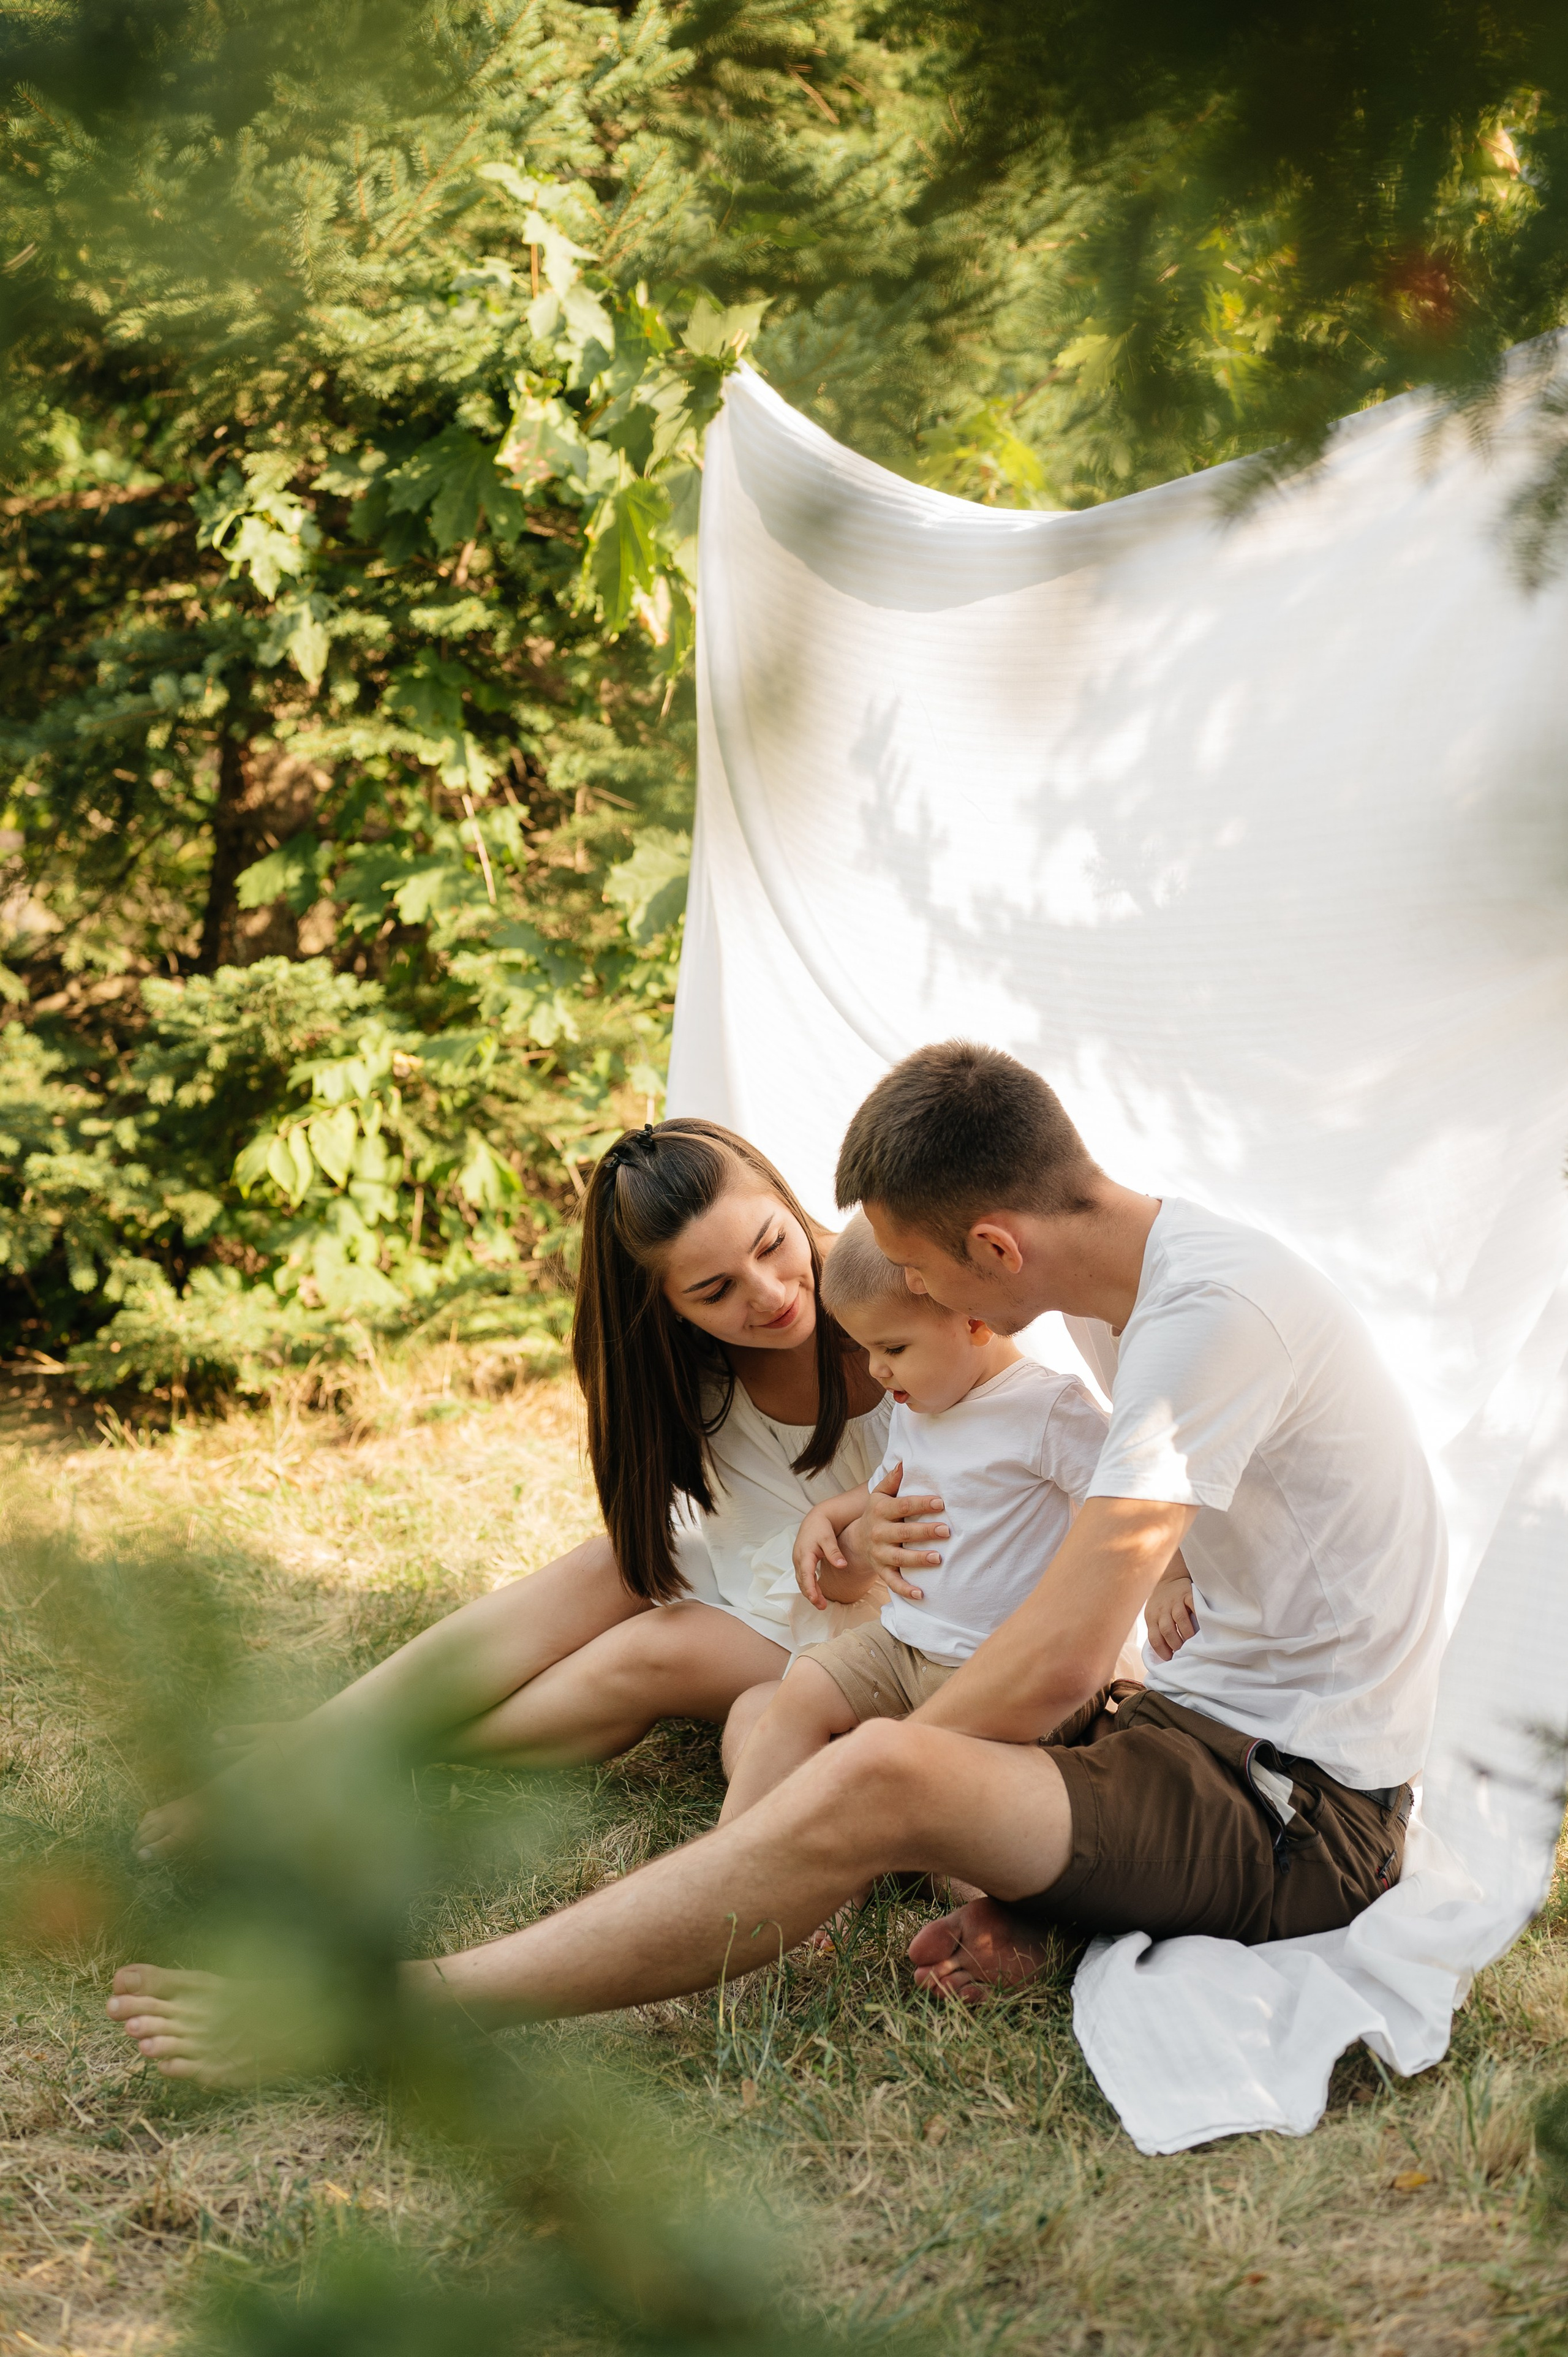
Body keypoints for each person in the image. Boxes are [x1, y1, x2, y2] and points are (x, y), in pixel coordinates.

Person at [108, 1044, 1449, 2078]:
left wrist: (863, 1788)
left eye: (916, 1279)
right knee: (829, 1737)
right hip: (1197, 1737)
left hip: (1297, 1808)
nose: (896, 1309)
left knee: (867, 1769)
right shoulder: (1136, 1295)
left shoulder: (1199, 1320)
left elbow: (1053, 1660)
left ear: (993, 1248)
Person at [129, 1117, 908, 1861]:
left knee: (660, 1645)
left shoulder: (895, 1285)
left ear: (783, 1197)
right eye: (713, 1290)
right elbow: (762, 1553)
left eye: (772, 1244)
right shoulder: (690, 1372)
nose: (768, 1293)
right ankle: (329, 1742)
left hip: (906, 1618)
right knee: (610, 1565)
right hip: (797, 1574)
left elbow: (890, 1551)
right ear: (666, 1306)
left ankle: (355, 1751)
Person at [720, 1213, 1193, 1823]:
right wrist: (830, 1512)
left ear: (973, 1320)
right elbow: (892, 1484)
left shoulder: (1044, 1407)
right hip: (904, 1642)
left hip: (1006, 1675)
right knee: (803, 1688)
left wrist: (1170, 1579)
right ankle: (735, 1847)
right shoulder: (918, 1402)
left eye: (893, 1348)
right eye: (866, 1349)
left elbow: (1133, 1494)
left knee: (945, 1807)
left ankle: (873, 1846)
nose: (876, 1369)